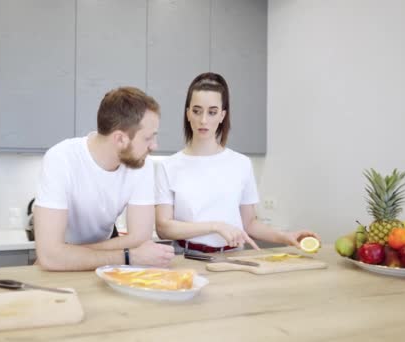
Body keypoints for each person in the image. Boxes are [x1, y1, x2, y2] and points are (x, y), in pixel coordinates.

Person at [155, 73, 319, 253]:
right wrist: (215, 226)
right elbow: (163, 229)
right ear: (187, 114)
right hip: (185, 258)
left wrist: (285, 237)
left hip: (232, 257)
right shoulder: (168, 166)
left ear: (222, 115)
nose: (203, 120)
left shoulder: (241, 164)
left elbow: (249, 224)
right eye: (196, 110)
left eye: (212, 112)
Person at [34, 87, 175, 271]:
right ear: (120, 139)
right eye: (148, 138)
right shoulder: (61, 158)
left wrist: (66, 254)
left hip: (105, 252)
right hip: (94, 255)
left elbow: (140, 237)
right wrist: (127, 255)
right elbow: (51, 257)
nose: (154, 146)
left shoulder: (141, 163)